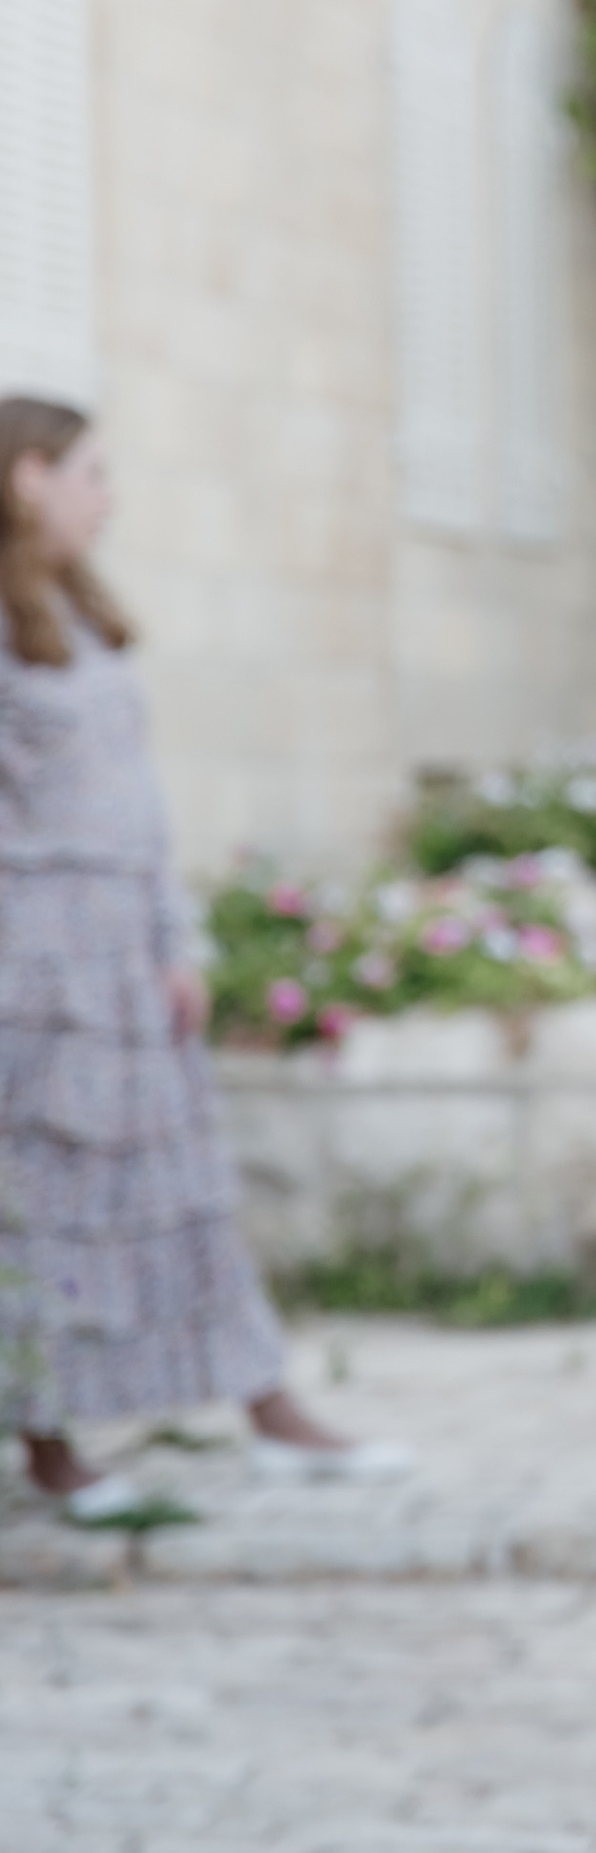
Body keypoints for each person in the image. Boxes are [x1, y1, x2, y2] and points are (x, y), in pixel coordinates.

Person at [0, 397, 408, 1519]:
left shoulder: (82, 615)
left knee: (184, 1190)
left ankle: (263, 1400)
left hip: (125, 950)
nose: (107, 494)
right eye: (90, 471)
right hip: (37, 966)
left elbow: (140, 803)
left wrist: (173, 936)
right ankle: (49, 1439)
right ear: (26, 477)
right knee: (45, 1202)